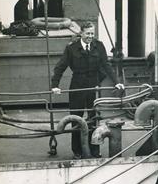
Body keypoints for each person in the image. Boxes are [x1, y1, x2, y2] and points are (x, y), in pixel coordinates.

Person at [51, 21, 125, 159]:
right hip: (77, 86)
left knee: (93, 119)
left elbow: (106, 65)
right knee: (76, 119)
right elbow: (60, 67)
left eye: (92, 33)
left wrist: (117, 82)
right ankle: (77, 151)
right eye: (88, 33)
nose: (90, 36)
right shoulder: (72, 48)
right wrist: (55, 85)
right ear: (81, 33)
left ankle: (94, 150)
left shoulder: (99, 46)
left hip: (93, 87)